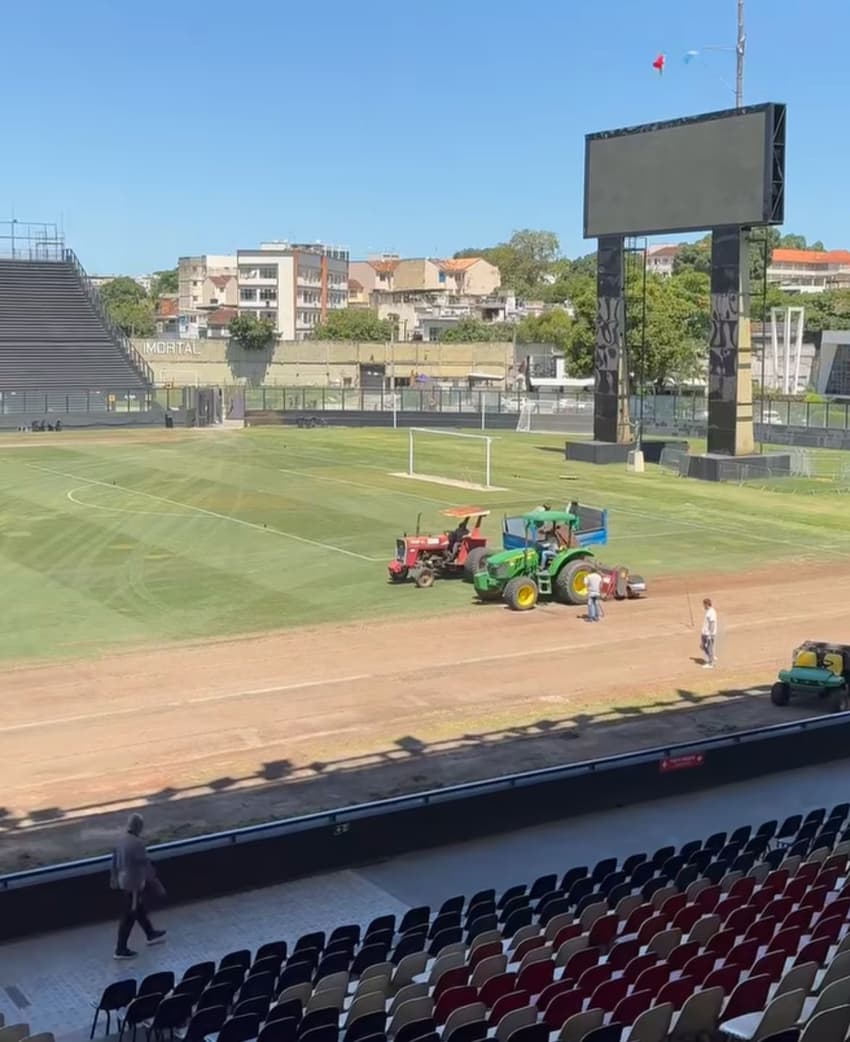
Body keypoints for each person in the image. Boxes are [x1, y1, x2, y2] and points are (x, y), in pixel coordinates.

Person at [111, 813, 167, 959]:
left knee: (137, 909)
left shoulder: (120, 840)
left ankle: (150, 934)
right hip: (134, 883)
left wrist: (114, 879)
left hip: (124, 880)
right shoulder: (137, 843)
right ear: (139, 827)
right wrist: (157, 884)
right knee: (130, 913)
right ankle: (120, 948)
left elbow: (114, 861)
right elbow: (146, 865)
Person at [701, 598, 718, 668]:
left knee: (709, 648)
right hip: (705, 633)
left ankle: (711, 663)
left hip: (709, 634)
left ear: (707, 604)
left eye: (704, 605)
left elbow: (712, 623)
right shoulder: (708, 611)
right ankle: (711, 658)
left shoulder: (712, 612)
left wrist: (710, 634)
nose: (703, 606)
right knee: (705, 647)